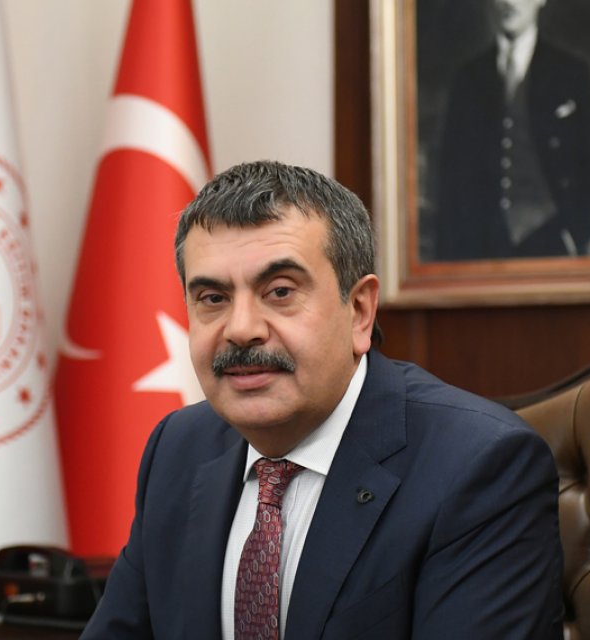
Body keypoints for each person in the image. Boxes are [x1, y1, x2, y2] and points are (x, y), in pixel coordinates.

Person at [81, 160, 562, 638]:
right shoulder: (177, 449)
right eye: (212, 298)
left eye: (280, 292)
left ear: (360, 312)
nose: (241, 329)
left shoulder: (479, 466)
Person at [432, 0, 590, 261]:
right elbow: (450, 178)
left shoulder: (571, 73)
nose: (508, 2)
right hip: (479, 248)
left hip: (550, 243)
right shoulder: (467, 79)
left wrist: (574, 235)